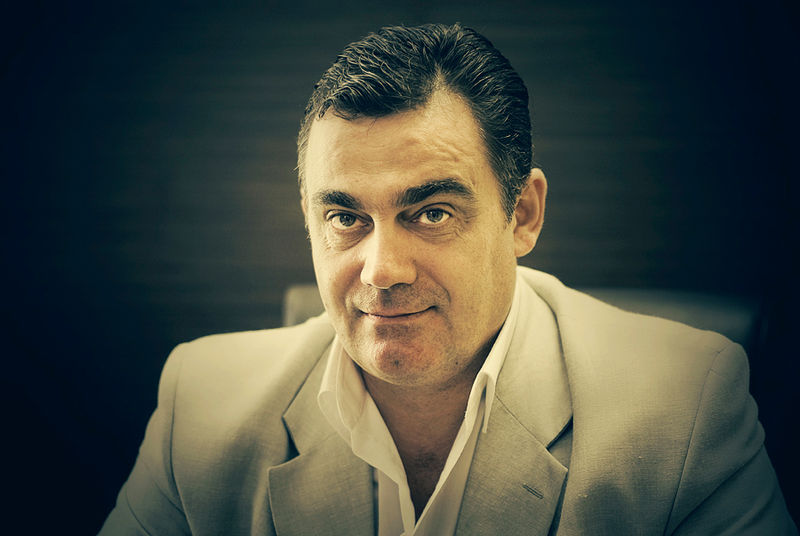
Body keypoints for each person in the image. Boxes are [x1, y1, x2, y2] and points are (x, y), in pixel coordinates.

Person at [99, 23, 796, 535]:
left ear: (522, 215)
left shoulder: (684, 412)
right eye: (345, 217)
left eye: (431, 212)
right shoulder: (202, 408)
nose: (382, 270)